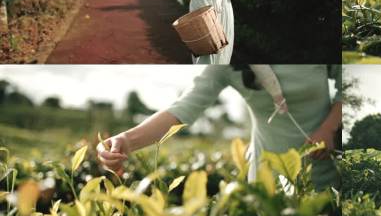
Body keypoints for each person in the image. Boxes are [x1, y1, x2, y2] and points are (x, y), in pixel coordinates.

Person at [96, 65, 341, 191]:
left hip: (326, 168)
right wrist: (125, 141)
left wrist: (329, 129)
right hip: (267, 178)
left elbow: (348, 85)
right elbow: (183, 108)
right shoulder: (228, 58)